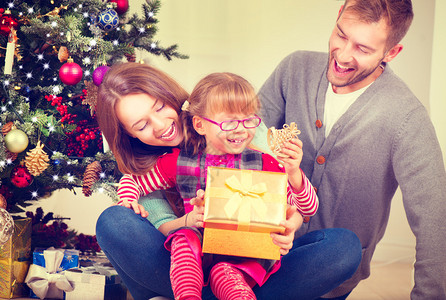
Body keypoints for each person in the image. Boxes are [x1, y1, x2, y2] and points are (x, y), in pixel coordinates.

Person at [95, 62, 362, 300]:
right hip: (189, 256)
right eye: (141, 126)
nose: (160, 125)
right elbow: (135, 183)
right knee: (114, 222)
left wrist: (288, 218)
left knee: (344, 247)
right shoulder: (175, 162)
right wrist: (133, 202)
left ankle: (223, 288)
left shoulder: (251, 142)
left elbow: (301, 208)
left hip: (248, 256)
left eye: (161, 107)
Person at [258, 0, 446, 299]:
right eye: (341, 35)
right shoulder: (295, 68)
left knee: (342, 250)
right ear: (337, 18)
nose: (343, 55)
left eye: (363, 48)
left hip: (327, 270)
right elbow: (244, 135)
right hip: (256, 250)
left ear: (391, 52)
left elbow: (436, 219)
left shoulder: (407, 118)